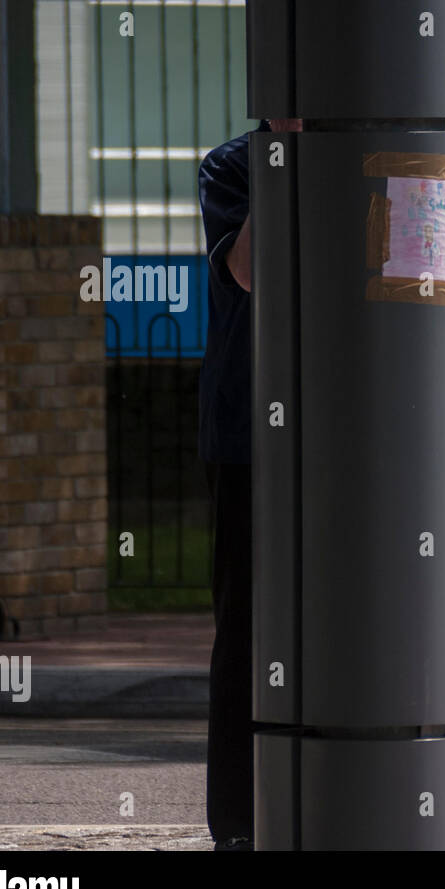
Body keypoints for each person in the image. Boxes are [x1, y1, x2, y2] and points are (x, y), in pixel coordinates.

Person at [197, 116, 301, 851]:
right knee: (249, 630)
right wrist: (285, 158)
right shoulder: (232, 166)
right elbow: (249, 269)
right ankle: (240, 823)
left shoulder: (377, 150)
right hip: (251, 433)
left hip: (353, 437)